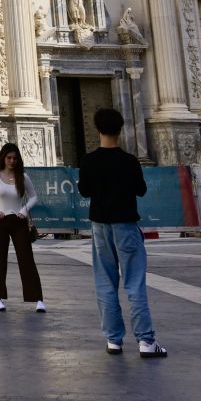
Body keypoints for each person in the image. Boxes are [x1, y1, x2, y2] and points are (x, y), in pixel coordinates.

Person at [78, 107, 165, 357]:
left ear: (97, 130)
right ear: (121, 129)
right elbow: (141, 190)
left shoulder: (88, 161)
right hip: (125, 224)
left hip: (100, 226)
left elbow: (84, 191)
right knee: (134, 283)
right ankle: (146, 341)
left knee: (105, 283)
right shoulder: (129, 161)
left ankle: (113, 340)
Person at [0, 142, 43, 313]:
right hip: (0, 221)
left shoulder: (23, 176)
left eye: (15, 158)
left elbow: (34, 197)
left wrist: (24, 210)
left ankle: (38, 299)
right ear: (3, 158)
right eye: (9, 158)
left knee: (26, 259)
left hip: (19, 221)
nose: (12, 161)